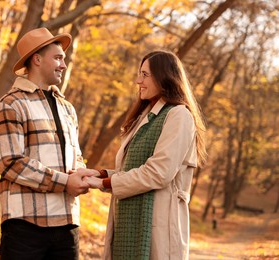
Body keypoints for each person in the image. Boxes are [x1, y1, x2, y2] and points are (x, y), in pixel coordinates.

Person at [79, 50, 207, 260]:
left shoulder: (179, 116)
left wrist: (106, 183)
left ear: (164, 76)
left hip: (159, 227)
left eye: (145, 74)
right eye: (140, 74)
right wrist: (100, 174)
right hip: (128, 223)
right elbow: (130, 171)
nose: (139, 80)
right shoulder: (145, 116)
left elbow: (158, 173)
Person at [0, 27, 93, 260]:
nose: (63, 65)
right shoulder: (10, 104)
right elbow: (11, 163)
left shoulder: (67, 108)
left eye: (63, 59)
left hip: (67, 225)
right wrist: (66, 183)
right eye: (57, 58)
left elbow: (75, 156)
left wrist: (83, 175)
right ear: (36, 59)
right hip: (26, 226)